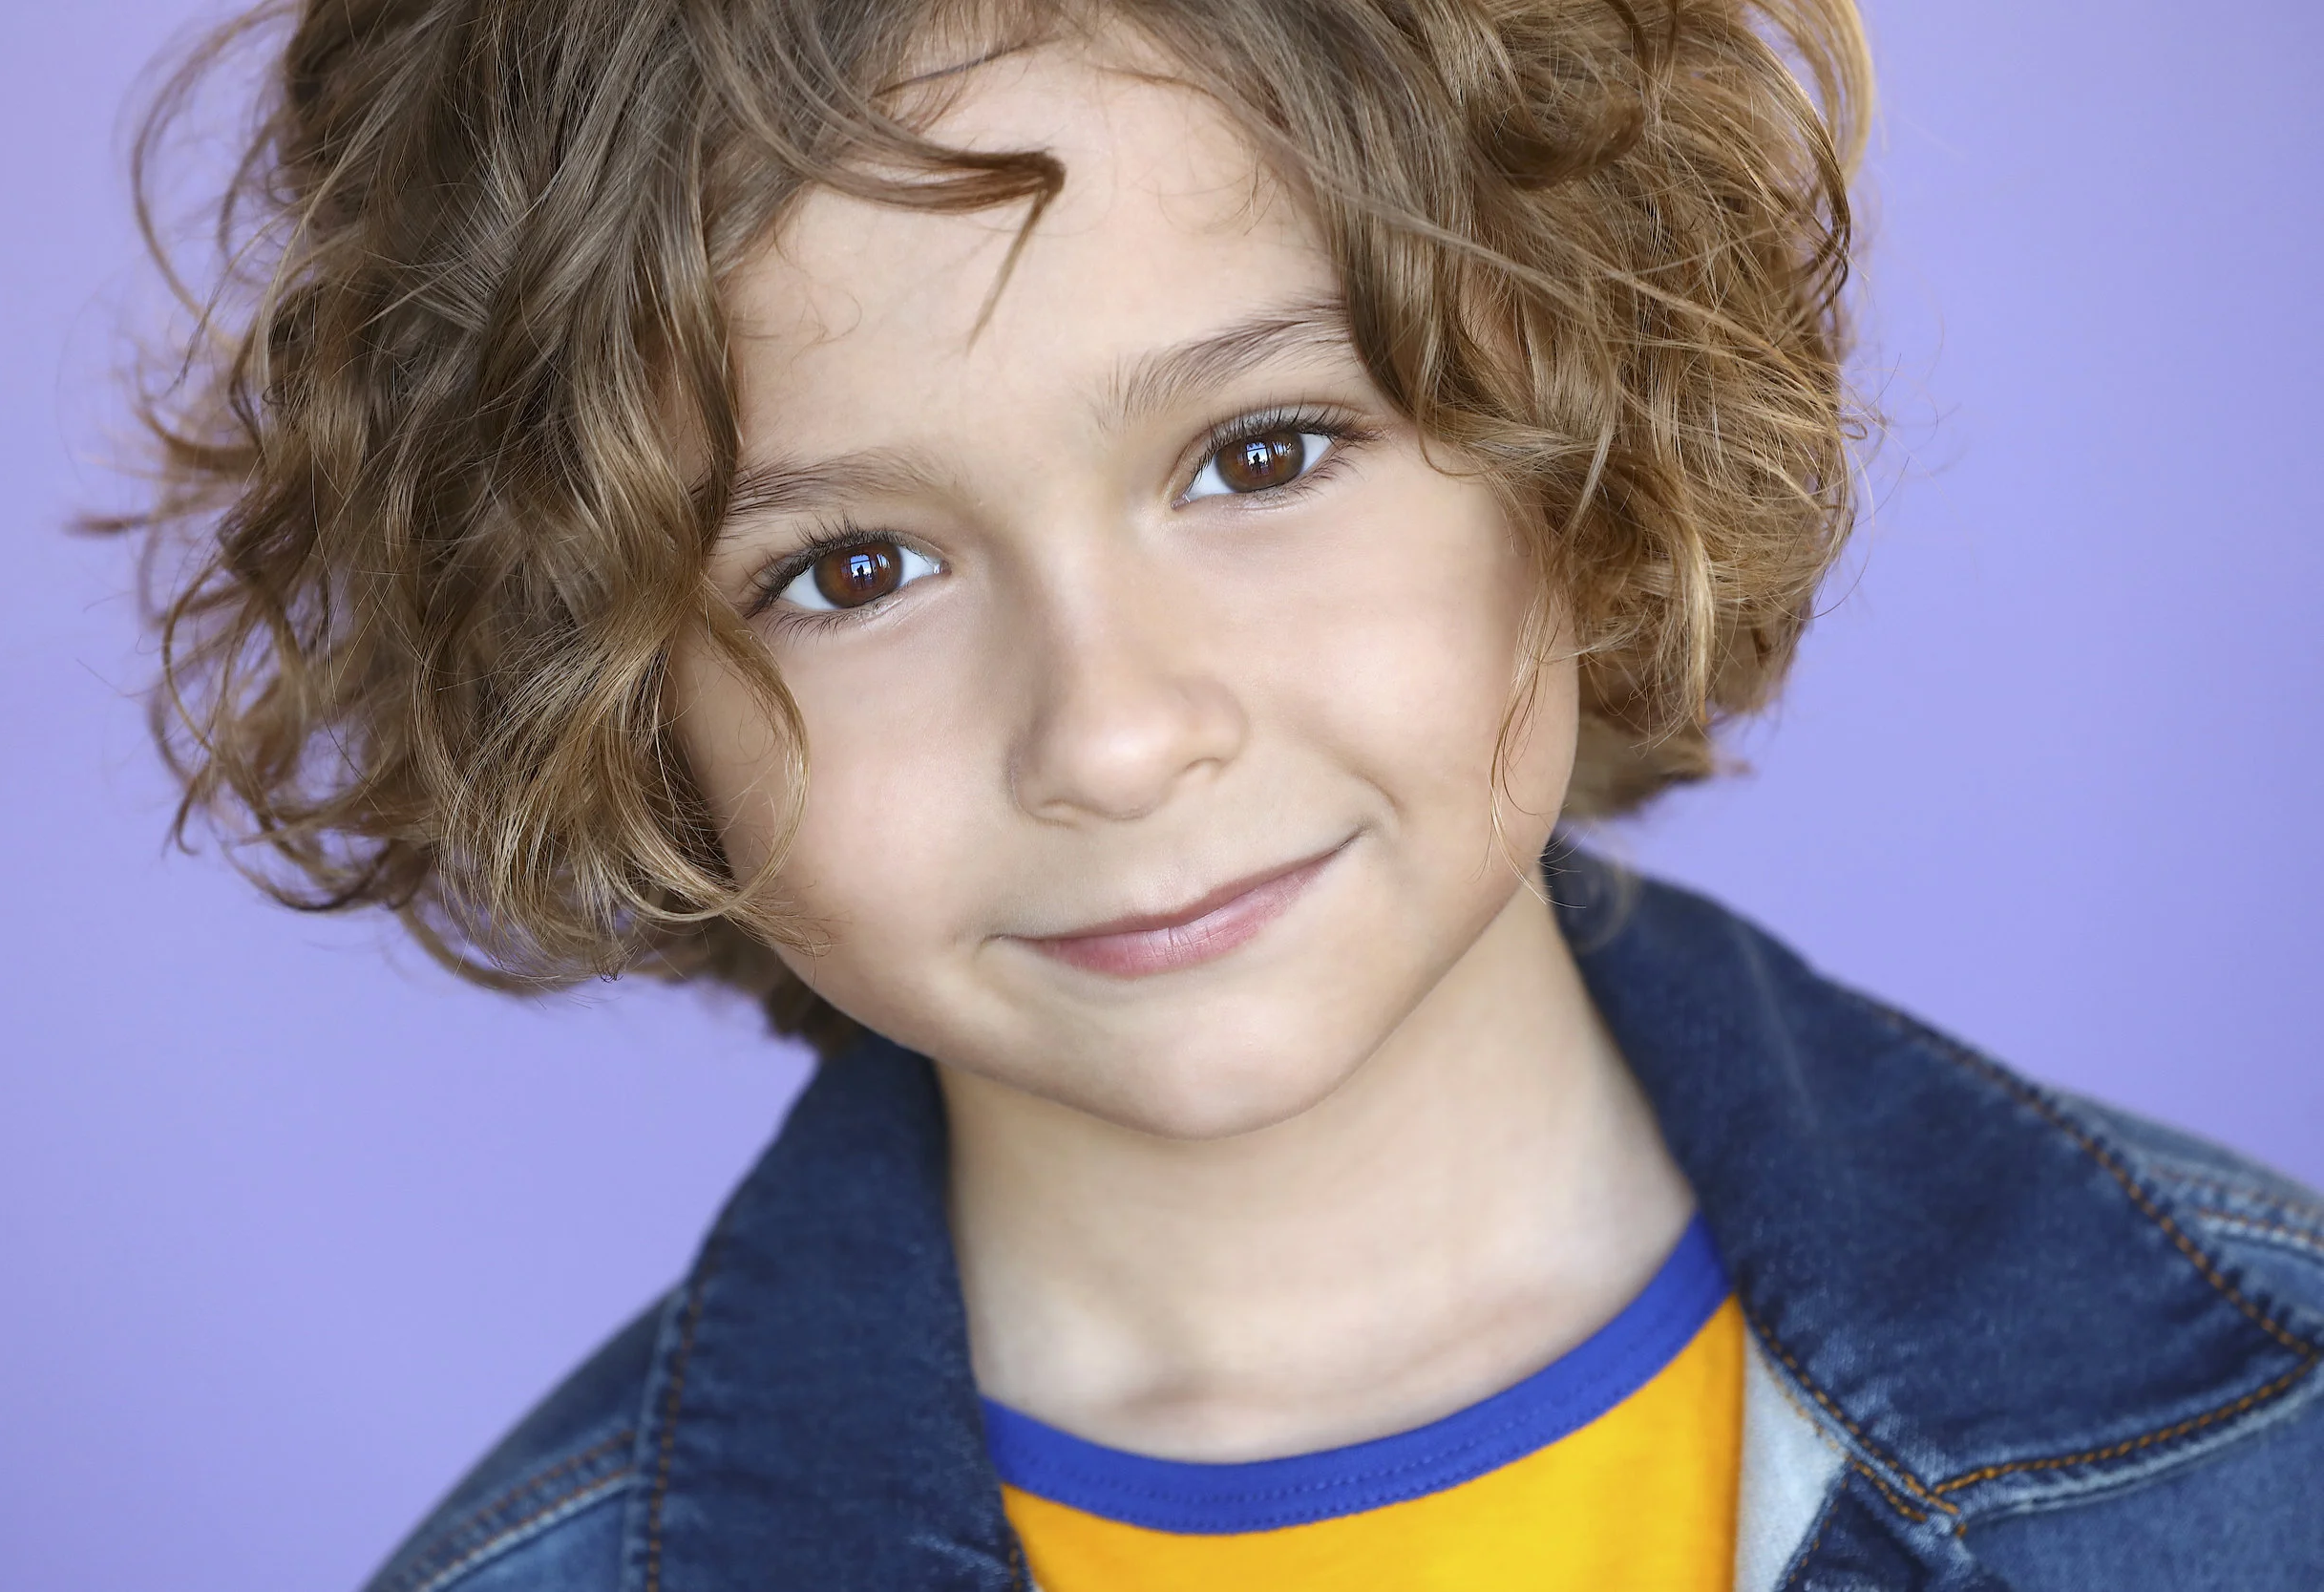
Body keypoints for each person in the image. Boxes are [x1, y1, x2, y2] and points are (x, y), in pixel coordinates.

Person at [112, 0, 2324, 1587]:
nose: (1109, 728)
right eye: (847, 569)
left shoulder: (2268, 1438)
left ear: (1575, 430)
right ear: (613, 692)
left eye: (1257, 453)